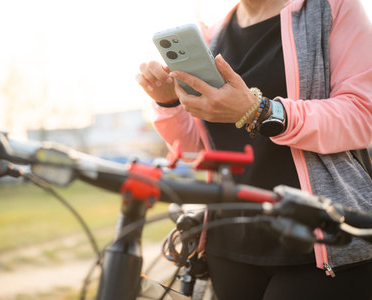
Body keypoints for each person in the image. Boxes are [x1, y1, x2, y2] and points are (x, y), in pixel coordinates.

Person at [136, 0, 372, 299]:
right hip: (230, 241)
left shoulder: (331, 8)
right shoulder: (213, 34)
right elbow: (199, 148)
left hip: (319, 237)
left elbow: (362, 115)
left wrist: (261, 111)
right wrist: (168, 102)